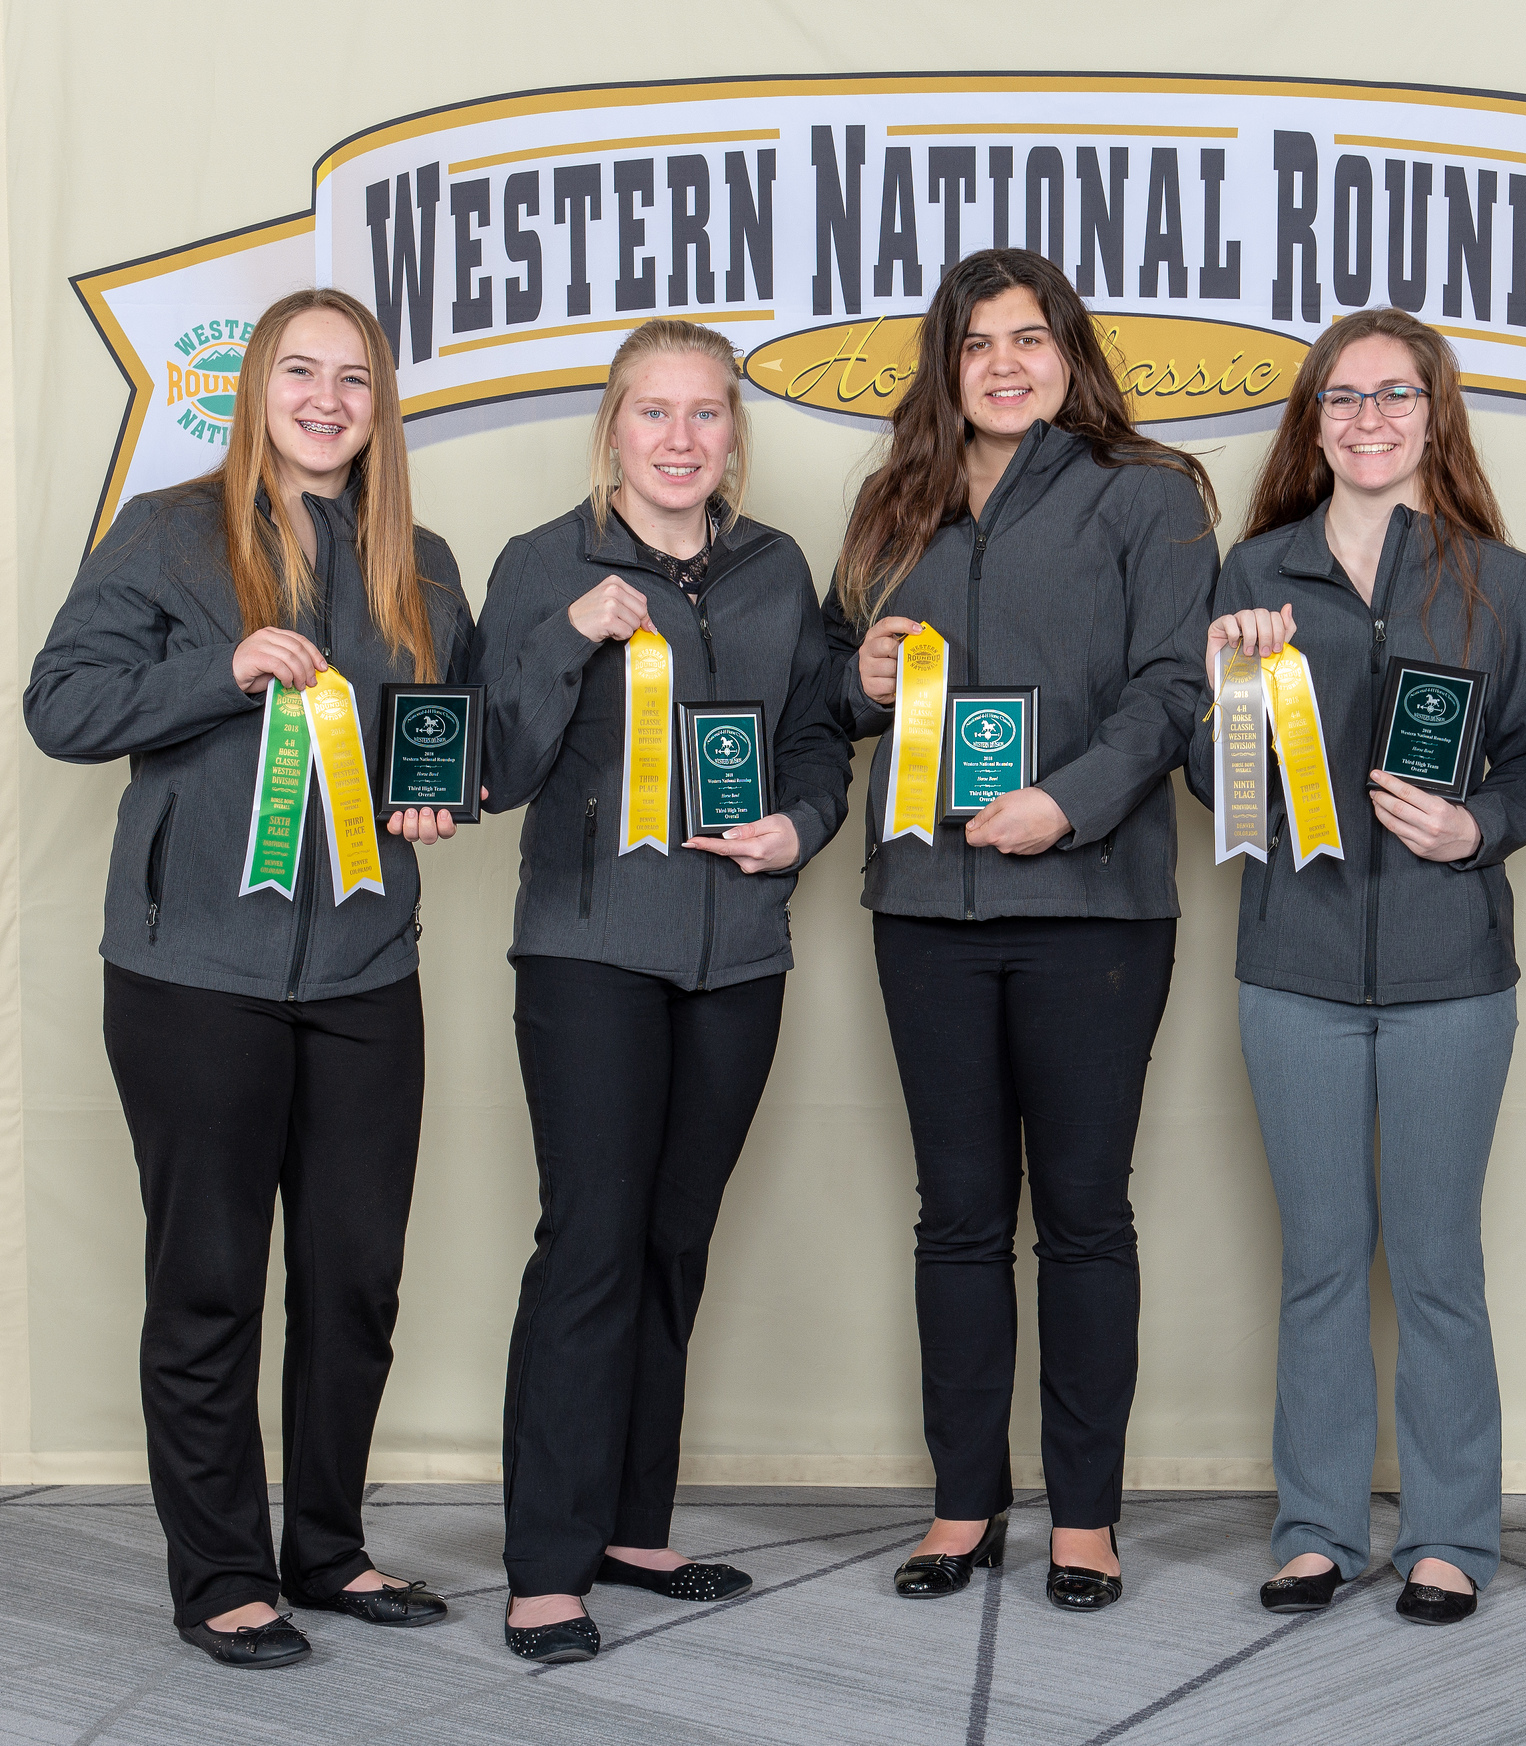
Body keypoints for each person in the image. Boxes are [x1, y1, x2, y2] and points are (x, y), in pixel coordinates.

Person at [23, 288, 474, 1667]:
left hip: (361, 969)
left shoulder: (426, 559)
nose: (328, 398)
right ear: (255, 389)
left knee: (356, 1277)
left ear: (378, 404)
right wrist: (221, 671)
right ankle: (223, 1569)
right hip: (189, 971)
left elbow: (433, 736)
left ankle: (327, 1548)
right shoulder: (167, 530)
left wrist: (431, 795)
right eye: (300, 371)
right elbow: (61, 705)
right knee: (210, 1274)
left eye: (354, 377)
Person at [823, 248, 1217, 1612]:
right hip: (926, 905)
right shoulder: (893, 506)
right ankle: (962, 1502)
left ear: (1072, 353)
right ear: (947, 361)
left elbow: (1175, 689)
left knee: (1087, 1219)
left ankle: (1089, 1516)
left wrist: (1072, 802)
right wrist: (858, 676)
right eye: (978, 340)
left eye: (1031, 337)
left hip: (1094, 907)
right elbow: (834, 687)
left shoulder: (1151, 498)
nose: (1004, 362)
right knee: (957, 1219)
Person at [473, 318, 850, 1663]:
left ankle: (633, 1521)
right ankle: (543, 1562)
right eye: (655, 413)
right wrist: (570, 634)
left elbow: (815, 741)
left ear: (732, 435)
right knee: (589, 1239)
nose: (682, 438)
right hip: (588, 950)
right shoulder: (541, 564)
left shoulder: (773, 568)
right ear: (612, 429)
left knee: (673, 1240)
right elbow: (490, 764)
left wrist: (798, 829)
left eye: (707, 415)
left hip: (737, 955)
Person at [1186, 308, 1526, 1624]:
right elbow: (1206, 781)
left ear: (1433, 413)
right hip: (1291, 963)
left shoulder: (1499, 581)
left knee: (1439, 1256)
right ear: (1314, 423)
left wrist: (1481, 825)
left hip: (1454, 970)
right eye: (1340, 399)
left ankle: (1453, 1530)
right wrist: (1227, 690)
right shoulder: (1253, 572)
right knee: (1321, 1257)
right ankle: (1318, 1526)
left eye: (1392, 395)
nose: (1366, 419)